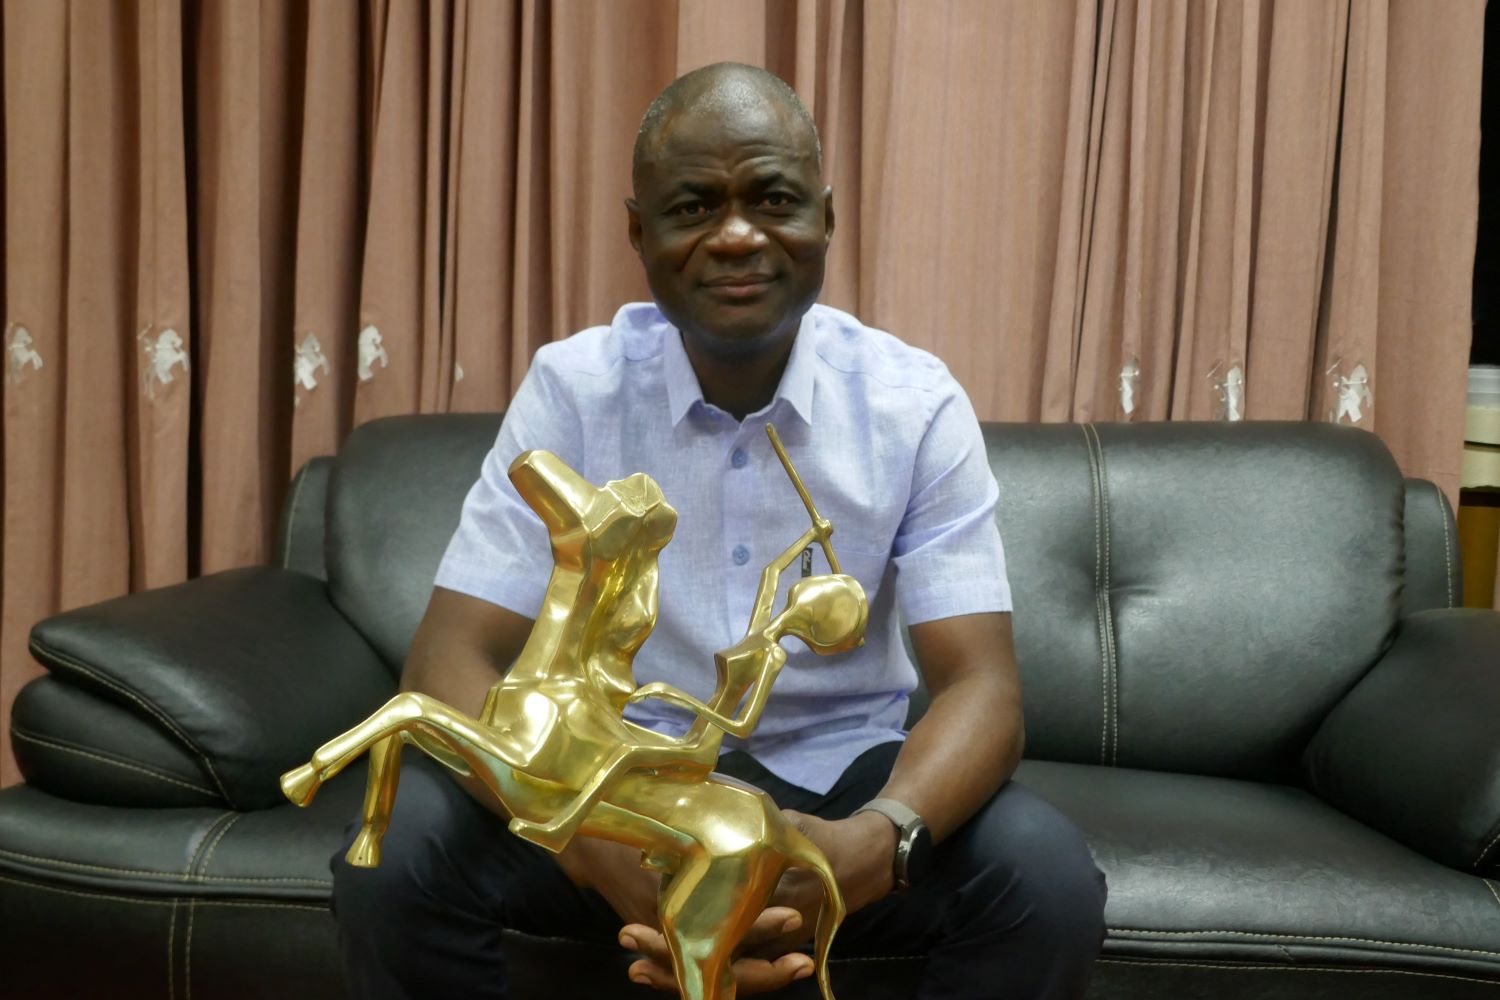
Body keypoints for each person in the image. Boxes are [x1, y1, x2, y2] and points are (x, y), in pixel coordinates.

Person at [331, 61, 1107, 999]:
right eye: (694, 207)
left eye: (773, 199)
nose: (737, 236)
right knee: (391, 859)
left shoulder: (914, 404)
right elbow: (448, 664)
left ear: (826, 216)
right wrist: (592, 844)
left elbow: (983, 688)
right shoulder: (575, 391)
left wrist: (869, 847)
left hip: (844, 780)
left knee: (1047, 881)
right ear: (639, 233)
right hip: (613, 783)